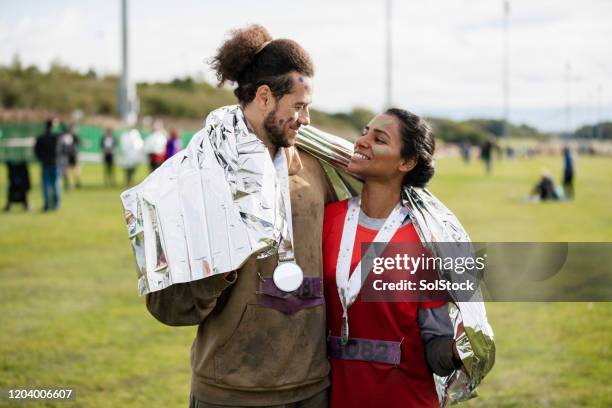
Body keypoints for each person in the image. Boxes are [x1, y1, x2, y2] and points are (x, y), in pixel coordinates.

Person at [145, 25, 336, 407]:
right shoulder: (195, 177)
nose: (307, 119)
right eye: (298, 106)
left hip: (313, 387)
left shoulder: (318, 171)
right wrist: (222, 256)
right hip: (230, 391)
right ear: (265, 97)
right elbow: (167, 305)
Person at [323, 109, 463, 407]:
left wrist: (458, 350)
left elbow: (435, 350)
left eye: (379, 139)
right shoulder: (328, 220)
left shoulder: (426, 240)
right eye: (364, 132)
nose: (362, 141)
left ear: (407, 162)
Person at [34, 119, 61, 211]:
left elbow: (36, 151)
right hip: (54, 163)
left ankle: (46, 204)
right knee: (55, 184)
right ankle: (56, 204)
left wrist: (41, 159)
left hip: (45, 163)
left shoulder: (41, 138)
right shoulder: (55, 138)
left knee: (46, 185)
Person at [58, 123, 81, 190]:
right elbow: (78, 143)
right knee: (73, 168)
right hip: (72, 154)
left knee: (66, 169)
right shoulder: (71, 136)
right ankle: (75, 182)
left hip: (66, 155)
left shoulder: (62, 136)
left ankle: (70, 183)